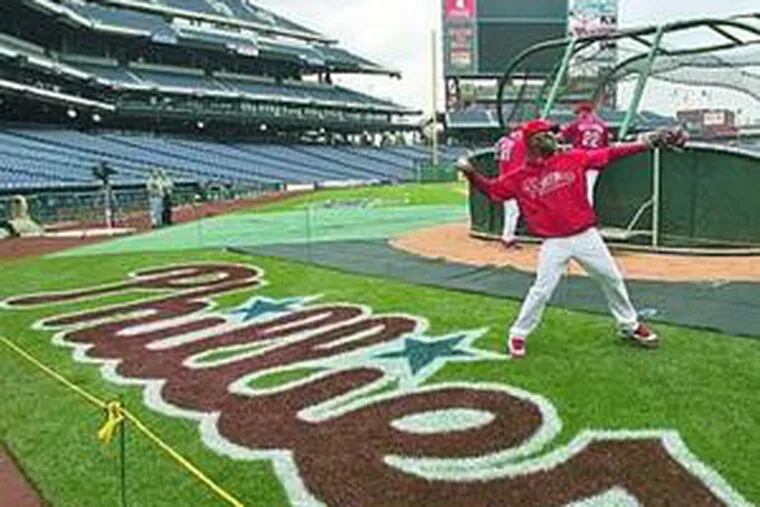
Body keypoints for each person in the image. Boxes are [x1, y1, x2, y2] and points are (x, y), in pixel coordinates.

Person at [457, 119, 687, 359]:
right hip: (555, 243)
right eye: (545, 134)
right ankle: (518, 333)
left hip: (586, 236)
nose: (552, 137)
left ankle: (629, 325)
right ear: (532, 142)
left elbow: (610, 152)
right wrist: (472, 175)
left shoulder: (572, 157)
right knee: (542, 290)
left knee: (612, 279)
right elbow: (494, 190)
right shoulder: (520, 177)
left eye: (551, 133)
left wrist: (645, 143)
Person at [559, 101, 610, 206]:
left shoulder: (577, 123)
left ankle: (584, 217)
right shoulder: (602, 124)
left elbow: (561, 137)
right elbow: (606, 145)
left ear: (581, 112)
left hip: (580, 159)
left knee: (577, 190)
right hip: (596, 160)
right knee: (589, 189)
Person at [493, 127, 527, 248]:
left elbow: (497, 155)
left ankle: (507, 236)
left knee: (511, 210)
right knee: (513, 211)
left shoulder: (504, 141)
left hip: (503, 177)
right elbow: (519, 165)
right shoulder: (520, 142)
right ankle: (507, 238)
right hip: (512, 180)